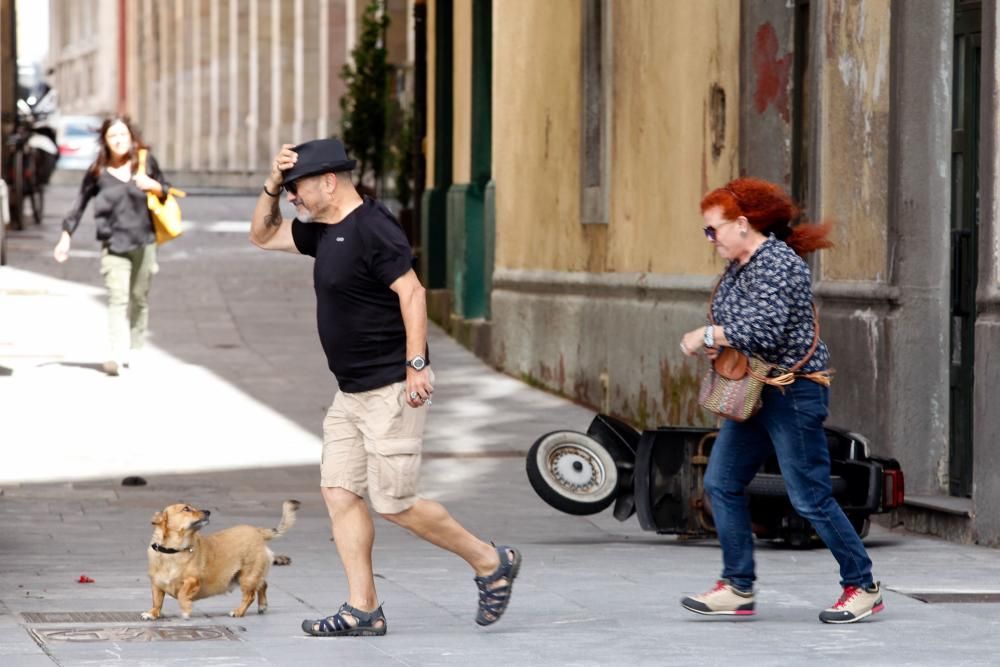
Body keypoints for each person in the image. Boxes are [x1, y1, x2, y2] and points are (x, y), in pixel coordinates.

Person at [249, 138, 520, 637]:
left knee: (395, 503)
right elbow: (262, 237)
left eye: (295, 188)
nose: (292, 198)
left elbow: (412, 292)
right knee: (339, 490)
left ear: (328, 181)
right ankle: (363, 609)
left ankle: (489, 560)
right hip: (350, 393)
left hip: (389, 388)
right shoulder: (324, 230)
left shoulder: (373, 228)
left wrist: (417, 364)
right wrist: (270, 183)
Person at [677, 177, 883, 624]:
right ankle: (737, 586)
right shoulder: (740, 265)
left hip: (793, 393)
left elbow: (765, 330)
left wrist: (708, 335)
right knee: (721, 483)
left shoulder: (778, 263)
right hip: (755, 391)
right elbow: (739, 324)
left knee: (809, 497)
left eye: (713, 229)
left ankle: (862, 585)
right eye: (706, 231)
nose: (709, 239)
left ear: (742, 224)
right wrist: (719, 343)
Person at [53, 116, 169, 376]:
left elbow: (167, 191)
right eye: (113, 136)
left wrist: (156, 186)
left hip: (145, 242)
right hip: (113, 245)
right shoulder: (98, 171)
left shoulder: (145, 163)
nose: (119, 140)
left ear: (131, 137)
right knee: (117, 298)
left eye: (123, 135)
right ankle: (117, 353)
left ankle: (136, 348)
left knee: (139, 298)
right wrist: (65, 236)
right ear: (105, 141)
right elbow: (79, 203)